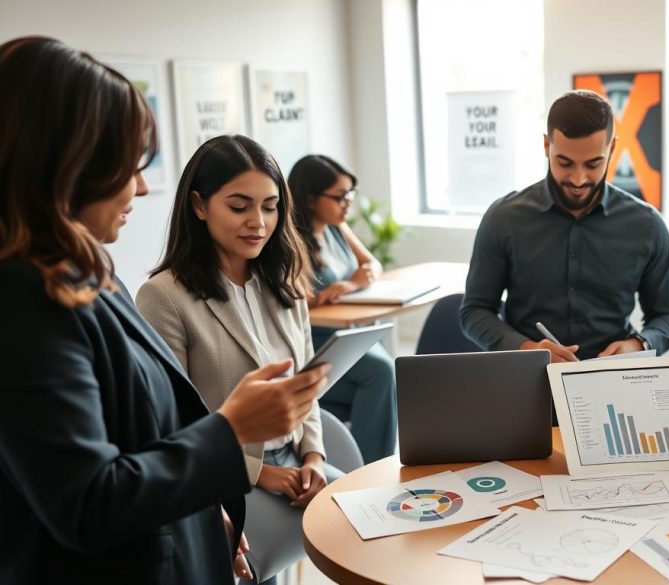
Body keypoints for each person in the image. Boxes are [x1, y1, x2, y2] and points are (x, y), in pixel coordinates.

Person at [0, 37, 329, 584]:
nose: (142, 187)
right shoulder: (21, 300)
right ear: (62, 168)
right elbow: (88, 502)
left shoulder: (88, 273)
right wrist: (232, 431)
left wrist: (212, 510)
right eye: (125, 168)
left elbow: (152, 436)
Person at [137, 136, 342, 584]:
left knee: (374, 525)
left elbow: (306, 387)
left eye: (270, 207)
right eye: (239, 206)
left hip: (294, 461)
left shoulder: (283, 280)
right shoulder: (165, 297)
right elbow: (171, 424)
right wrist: (257, 472)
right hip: (221, 477)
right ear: (199, 205)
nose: (259, 222)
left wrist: (312, 455)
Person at [460, 90, 669, 362]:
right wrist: (528, 350)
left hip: (613, 378)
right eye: (564, 163)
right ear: (546, 146)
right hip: (528, 376)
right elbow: (474, 311)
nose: (578, 179)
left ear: (612, 149)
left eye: (593, 164)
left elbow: (668, 315)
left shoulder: (647, 225)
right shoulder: (504, 218)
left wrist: (637, 345)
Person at [288, 154, 397, 463]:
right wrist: (316, 297)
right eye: (339, 196)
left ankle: (367, 464)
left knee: (383, 377)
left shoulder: (337, 226)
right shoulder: (291, 238)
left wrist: (351, 285)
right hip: (315, 341)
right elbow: (291, 299)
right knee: (381, 373)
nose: (348, 203)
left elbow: (371, 264)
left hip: (346, 332)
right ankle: (367, 470)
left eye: (350, 194)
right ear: (310, 199)